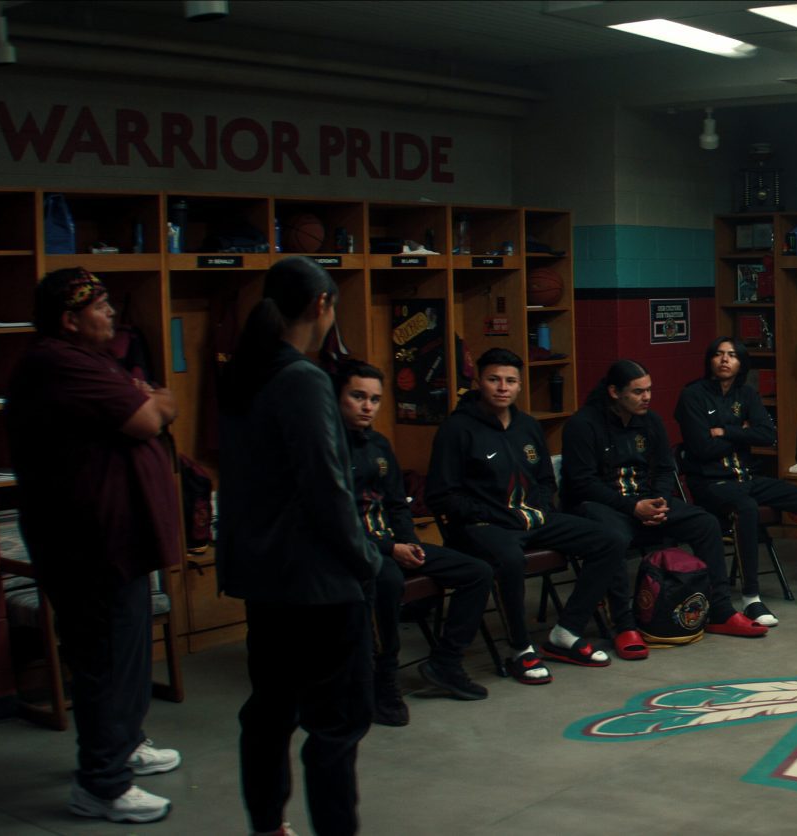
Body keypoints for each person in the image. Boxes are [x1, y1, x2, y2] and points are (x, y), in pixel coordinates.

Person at [8, 268, 183, 824]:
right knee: (104, 658)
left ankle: (123, 745)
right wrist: (152, 403)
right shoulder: (56, 363)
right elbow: (151, 412)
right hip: (88, 547)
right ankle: (101, 785)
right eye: (101, 307)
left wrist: (150, 400)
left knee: (126, 653)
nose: (112, 315)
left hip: (117, 543)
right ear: (69, 318)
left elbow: (152, 401)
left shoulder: (91, 359)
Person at [216, 257, 380, 836]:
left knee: (270, 710)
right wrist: (364, 560)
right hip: (316, 580)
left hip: (265, 578)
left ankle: (268, 825)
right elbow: (327, 486)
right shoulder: (304, 380)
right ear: (321, 305)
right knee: (335, 725)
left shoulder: (243, 374)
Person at [429, 347, 626, 682]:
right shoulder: (457, 429)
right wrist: (494, 514)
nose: (502, 387)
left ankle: (566, 631)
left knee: (610, 539)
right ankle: (520, 649)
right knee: (510, 560)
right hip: (483, 526)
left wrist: (541, 508)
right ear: (479, 381)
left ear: (520, 385)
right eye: (494, 379)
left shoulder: (528, 425)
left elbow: (546, 478)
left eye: (510, 380)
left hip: (532, 519)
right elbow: (441, 495)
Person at [562, 359, 771, 641]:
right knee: (613, 538)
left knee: (705, 523)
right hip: (604, 506)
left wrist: (659, 500)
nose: (646, 397)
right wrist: (633, 508)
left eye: (648, 390)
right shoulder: (583, 424)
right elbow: (583, 484)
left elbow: (664, 468)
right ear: (614, 392)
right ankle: (624, 626)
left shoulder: (650, 421)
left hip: (646, 501)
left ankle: (720, 611)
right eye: (638, 392)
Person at [336, 362, 494, 723]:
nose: (367, 406)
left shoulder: (379, 444)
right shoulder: (325, 449)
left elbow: (396, 504)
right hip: (354, 553)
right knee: (388, 580)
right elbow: (333, 523)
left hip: (393, 544)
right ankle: (382, 678)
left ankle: (446, 663)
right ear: (338, 397)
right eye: (357, 396)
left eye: (375, 399)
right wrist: (391, 550)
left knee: (477, 571)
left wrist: (408, 543)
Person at [678, 338, 797, 626]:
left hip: (746, 476)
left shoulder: (746, 394)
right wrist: (743, 432)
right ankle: (751, 598)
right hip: (711, 483)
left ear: (741, 363)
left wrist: (725, 432)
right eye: (719, 354)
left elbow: (766, 435)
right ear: (710, 360)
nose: (724, 360)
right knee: (746, 507)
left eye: (732, 355)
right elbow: (700, 448)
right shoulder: (693, 396)